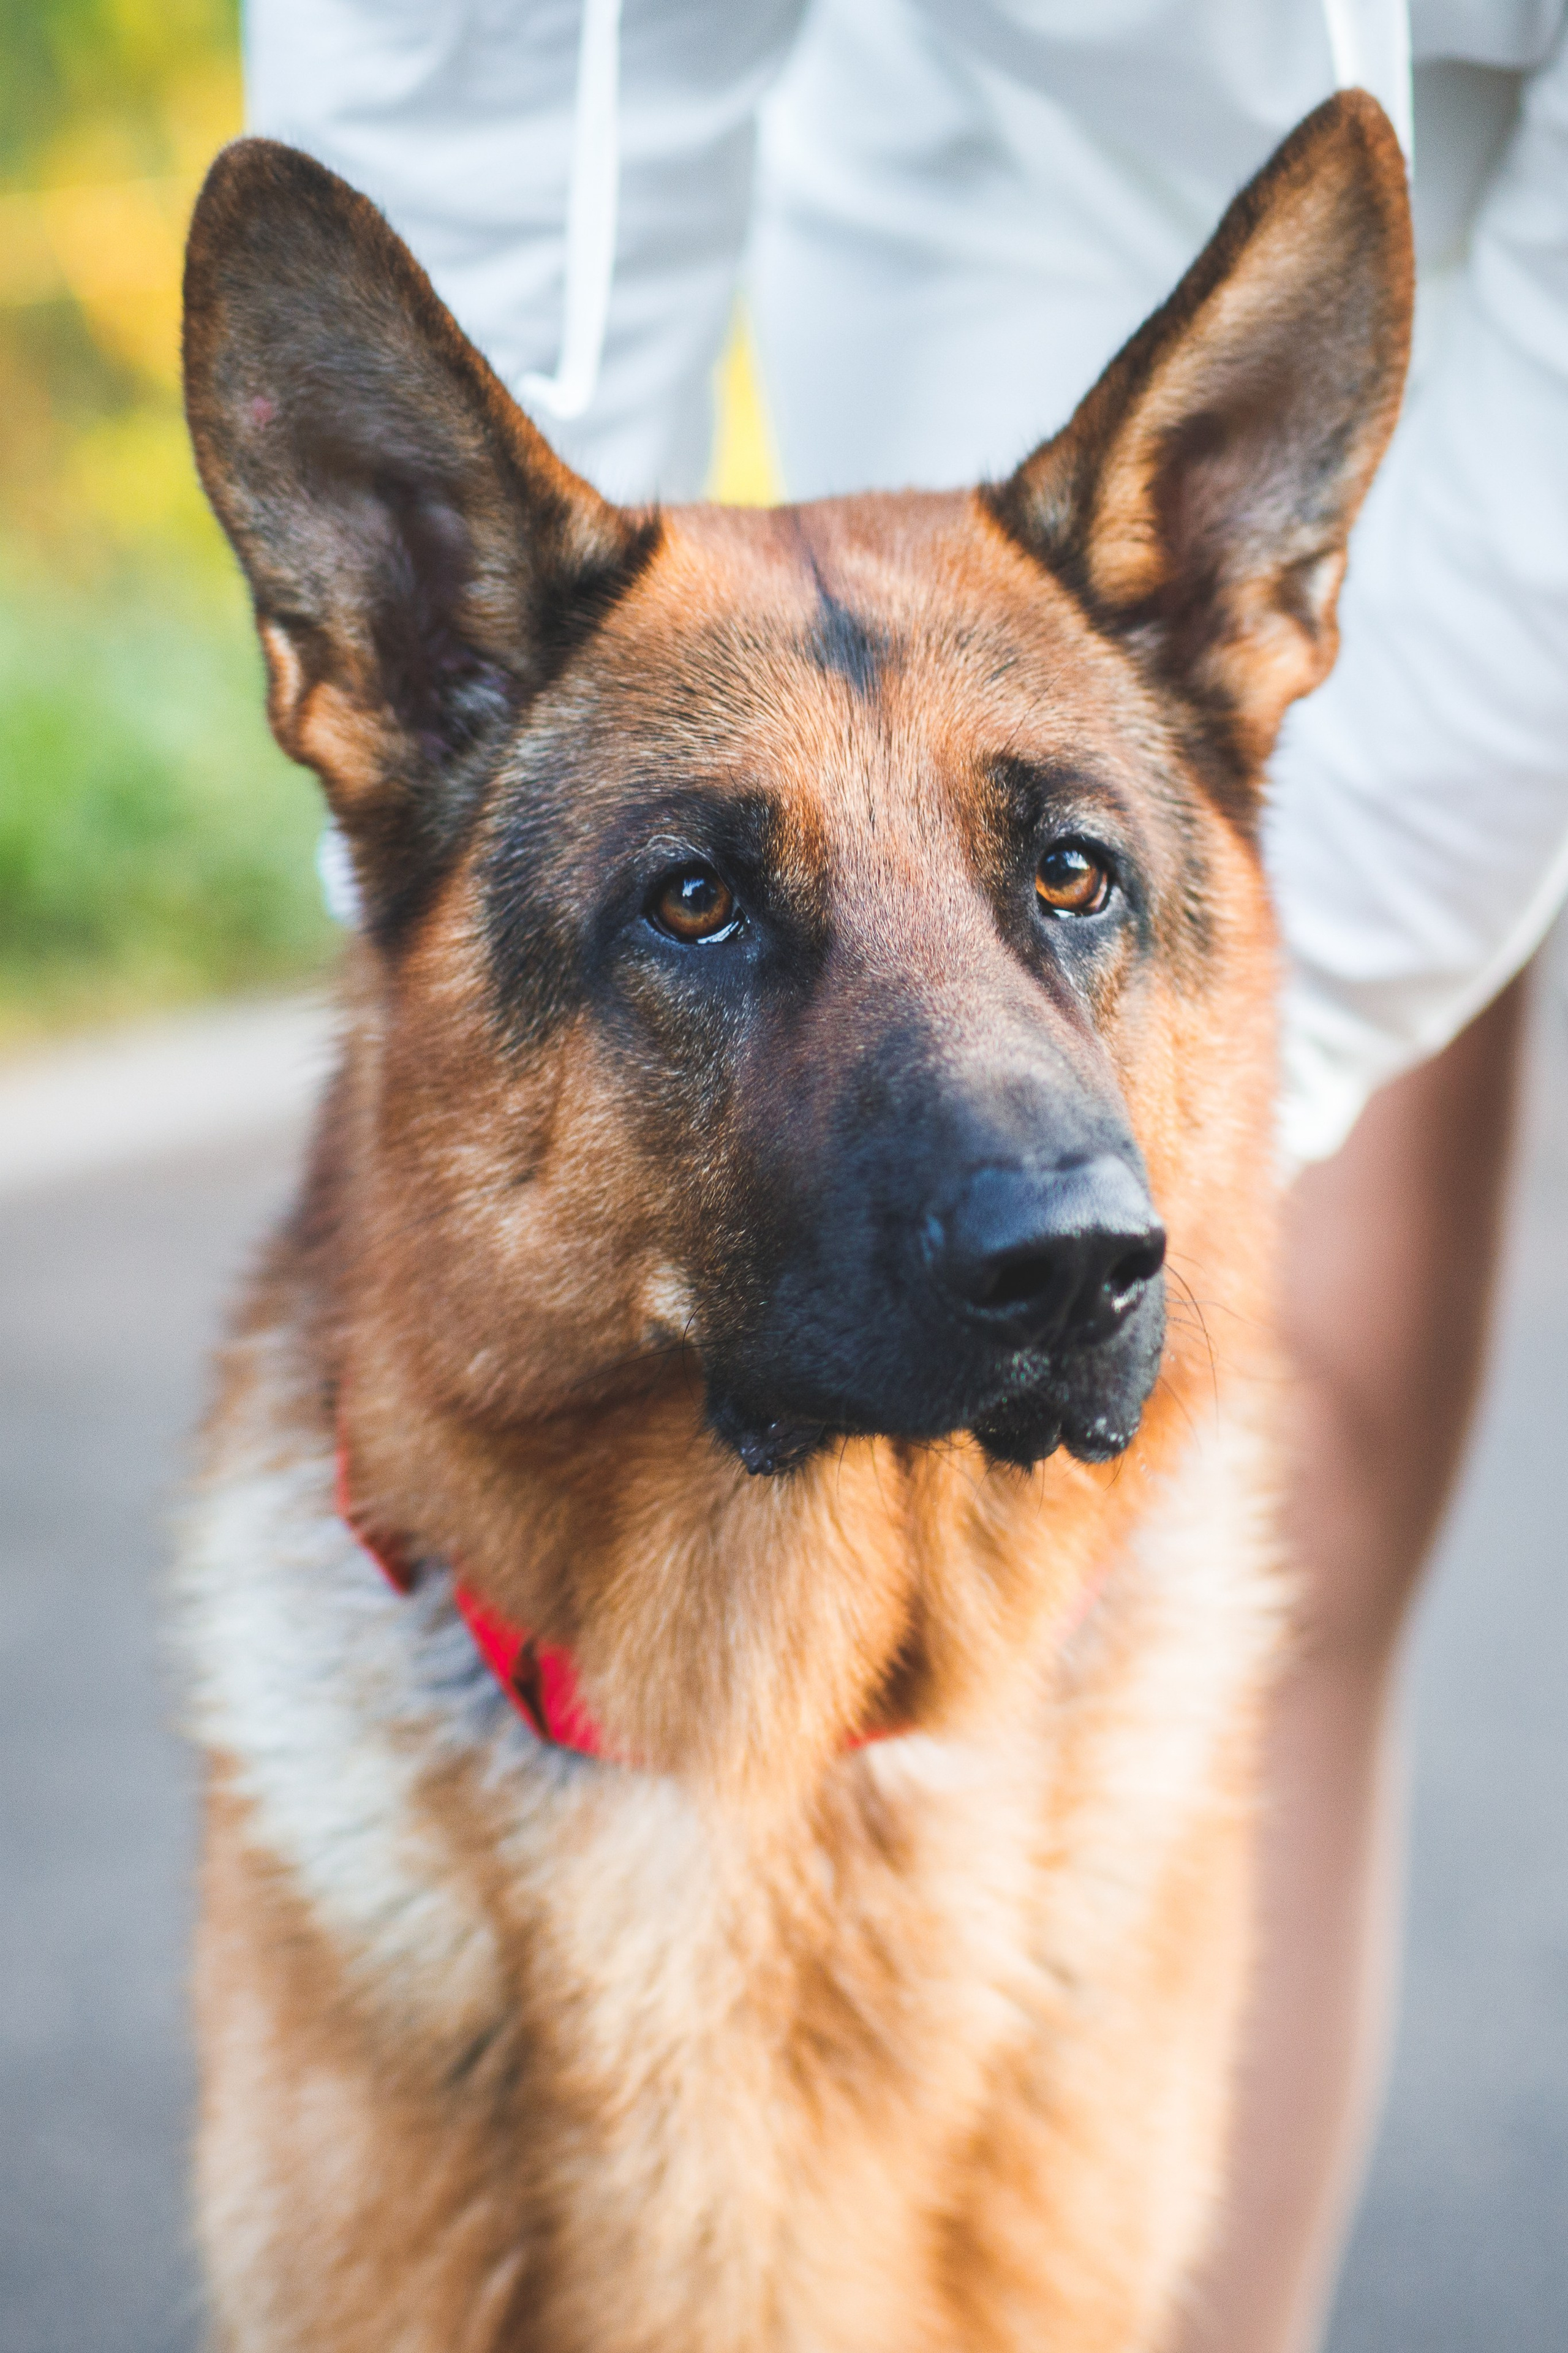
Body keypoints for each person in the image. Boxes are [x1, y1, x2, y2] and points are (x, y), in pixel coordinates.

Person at [243, 5, 1568, 2346]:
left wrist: (1257, 1040)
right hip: (952, 119)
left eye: (1053, 874)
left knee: (1299, 1430)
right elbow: (480, 61)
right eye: (701, 903)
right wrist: (488, 780)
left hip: (1475, 130)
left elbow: (1189, 894)